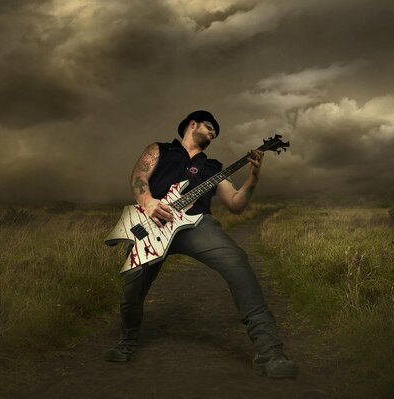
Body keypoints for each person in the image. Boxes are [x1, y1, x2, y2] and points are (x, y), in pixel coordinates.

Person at [104, 110, 298, 379]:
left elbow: (237, 205)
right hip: (152, 224)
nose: (213, 133)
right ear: (192, 124)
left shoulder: (213, 167)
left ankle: (270, 352)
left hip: (197, 224)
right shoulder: (160, 149)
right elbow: (139, 177)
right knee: (132, 288)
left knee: (236, 260)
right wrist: (148, 203)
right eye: (209, 127)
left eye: (216, 131)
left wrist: (254, 175)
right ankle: (126, 343)